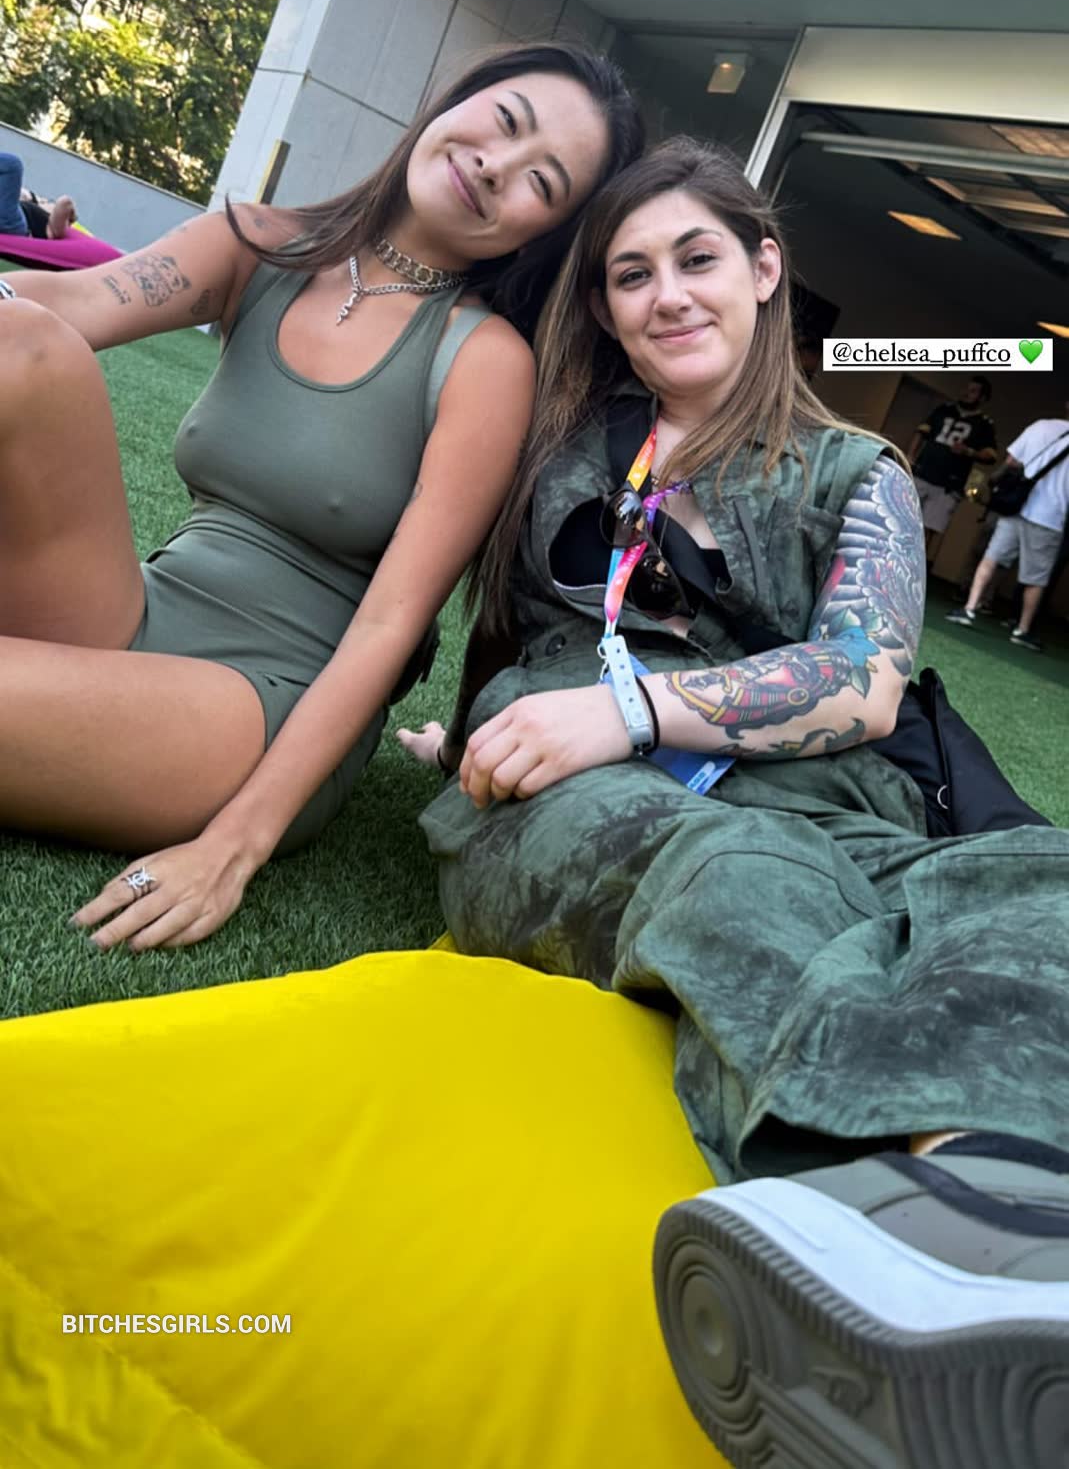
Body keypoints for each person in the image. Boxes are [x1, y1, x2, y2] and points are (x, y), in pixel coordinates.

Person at [405, 139, 1068, 1469]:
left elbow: (863, 680)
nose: (666, 294)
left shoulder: (854, 471)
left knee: (1031, 890)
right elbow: (469, 611)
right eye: (629, 275)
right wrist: (483, 736)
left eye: (695, 258)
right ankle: (879, 1246)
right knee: (741, 882)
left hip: (814, 788)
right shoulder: (554, 442)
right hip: (581, 790)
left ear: (764, 268)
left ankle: (985, 1217)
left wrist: (640, 706)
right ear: (604, 308)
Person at [0, 41, 643, 951]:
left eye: (542, 180)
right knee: (20, 342)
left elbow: (389, 626)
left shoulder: (485, 363)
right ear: (455, 100)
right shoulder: (262, 243)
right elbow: (61, 309)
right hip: (132, 610)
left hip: (262, 706)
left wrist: (233, 845)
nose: (497, 166)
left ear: (543, 234)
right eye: (505, 122)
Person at [948, 398, 1069, 649]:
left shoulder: (1041, 426)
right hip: (1050, 516)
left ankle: (969, 608)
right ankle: (1022, 629)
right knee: (1036, 578)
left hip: (1017, 504)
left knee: (991, 558)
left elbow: (1012, 460)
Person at [907, 374, 996, 559]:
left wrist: (969, 452)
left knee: (927, 529)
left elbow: (991, 455)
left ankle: (913, 565)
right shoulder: (944, 410)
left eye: (973, 391)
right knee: (904, 516)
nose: (967, 393)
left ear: (982, 398)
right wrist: (910, 456)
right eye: (967, 389)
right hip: (922, 473)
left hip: (948, 485)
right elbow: (921, 432)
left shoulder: (984, 424)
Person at [0, 148, 78, 239]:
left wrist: (70, 213)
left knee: (13, 165)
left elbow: (65, 202)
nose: (47, 201)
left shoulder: (54, 227)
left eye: (51, 202)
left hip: (13, 224)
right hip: (9, 215)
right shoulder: (35, 210)